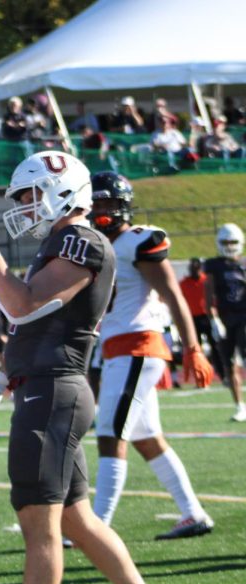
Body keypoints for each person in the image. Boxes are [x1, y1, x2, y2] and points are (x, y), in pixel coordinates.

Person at [0, 150, 181, 584]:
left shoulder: (81, 240)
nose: (25, 206)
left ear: (63, 192)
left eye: (32, 195)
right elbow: (38, 328)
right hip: (47, 386)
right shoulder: (64, 243)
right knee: (77, 515)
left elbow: (22, 306)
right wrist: (1, 379)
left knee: (39, 520)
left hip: (55, 394)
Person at [85, 172, 216, 540]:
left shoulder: (138, 240)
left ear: (123, 205)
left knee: (110, 434)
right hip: (119, 349)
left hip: (137, 346)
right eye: (94, 203)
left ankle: (97, 526)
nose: (99, 210)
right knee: (146, 437)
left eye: (106, 202)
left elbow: (173, 294)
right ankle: (193, 513)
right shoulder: (96, 245)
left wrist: (192, 347)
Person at [203, 223, 246, 421]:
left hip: (243, 317)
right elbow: (209, 293)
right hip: (225, 318)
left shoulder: (244, 264)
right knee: (229, 364)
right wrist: (214, 320)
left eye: (232, 242)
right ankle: (239, 406)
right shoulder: (214, 265)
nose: (229, 246)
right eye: (225, 242)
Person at [180, 258, 225, 380]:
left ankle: (222, 375)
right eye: (192, 268)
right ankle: (200, 378)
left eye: (196, 268)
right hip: (192, 319)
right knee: (195, 349)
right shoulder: (184, 283)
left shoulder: (206, 281)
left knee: (215, 347)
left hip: (207, 317)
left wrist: (216, 316)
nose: (194, 271)